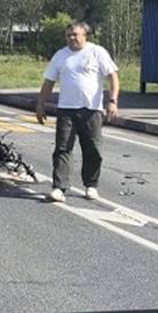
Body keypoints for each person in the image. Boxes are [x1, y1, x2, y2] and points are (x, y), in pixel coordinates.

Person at [36, 21, 120, 203]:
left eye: (75, 34)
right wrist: (41, 104)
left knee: (93, 149)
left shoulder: (97, 52)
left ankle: (91, 185)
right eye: (68, 35)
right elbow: (49, 82)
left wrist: (112, 101)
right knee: (63, 148)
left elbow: (113, 76)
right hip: (66, 109)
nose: (72, 38)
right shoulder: (61, 55)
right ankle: (59, 187)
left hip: (91, 110)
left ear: (85, 35)